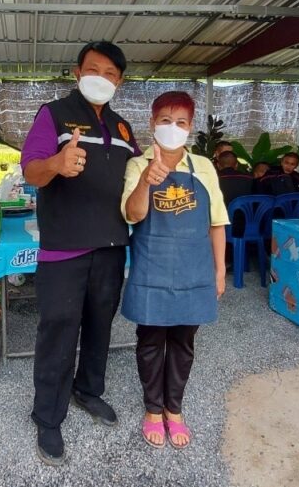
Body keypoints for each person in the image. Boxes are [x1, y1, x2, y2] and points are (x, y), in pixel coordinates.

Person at [20, 41, 139, 466]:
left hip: (111, 246)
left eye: (110, 73)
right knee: (58, 330)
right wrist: (56, 163)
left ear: (119, 81)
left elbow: (137, 178)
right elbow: (31, 170)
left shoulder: (124, 127)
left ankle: (88, 390)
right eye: (93, 69)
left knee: (100, 325)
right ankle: (48, 416)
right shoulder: (53, 115)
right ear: (76, 72)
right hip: (63, 248)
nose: (100, 78)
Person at [120, 91, 228, 450]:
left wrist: (219, 271)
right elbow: (133, 215)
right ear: (152, 123)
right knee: (151, 341)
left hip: (194, 271)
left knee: (183, 342)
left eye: (180, 122)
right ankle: (153, 408)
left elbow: (217, 223)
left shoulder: (204, 167)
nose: (172, 127)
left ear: (190, 127)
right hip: (152, 269)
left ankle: (174, 408)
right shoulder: (137, 165)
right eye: (165, 120)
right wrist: (146, 181)